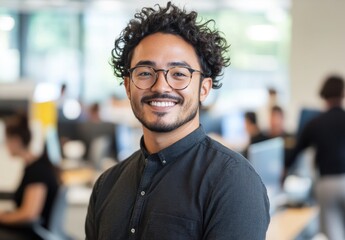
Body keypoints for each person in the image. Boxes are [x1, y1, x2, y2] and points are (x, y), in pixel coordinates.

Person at [85, 2, 270, 239]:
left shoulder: (233, 182)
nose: (161, 86)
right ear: (128, 86)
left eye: (179, 74)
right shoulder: (107, 184)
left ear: (204, 89)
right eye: (144, 73)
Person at [284, 75, 345, 240]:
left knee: (334, 235)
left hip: (327, 184)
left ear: (323, 94)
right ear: (342, 93)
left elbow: (294, 153)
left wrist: (283, 170)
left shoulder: (315, 122)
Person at [0, 114, 60, 240]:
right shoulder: (35, 166)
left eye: (6, 141)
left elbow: (30, 214)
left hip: (34, 234)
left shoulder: (37, 171)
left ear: (15, 141)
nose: (5, 146)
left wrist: (2, 217)